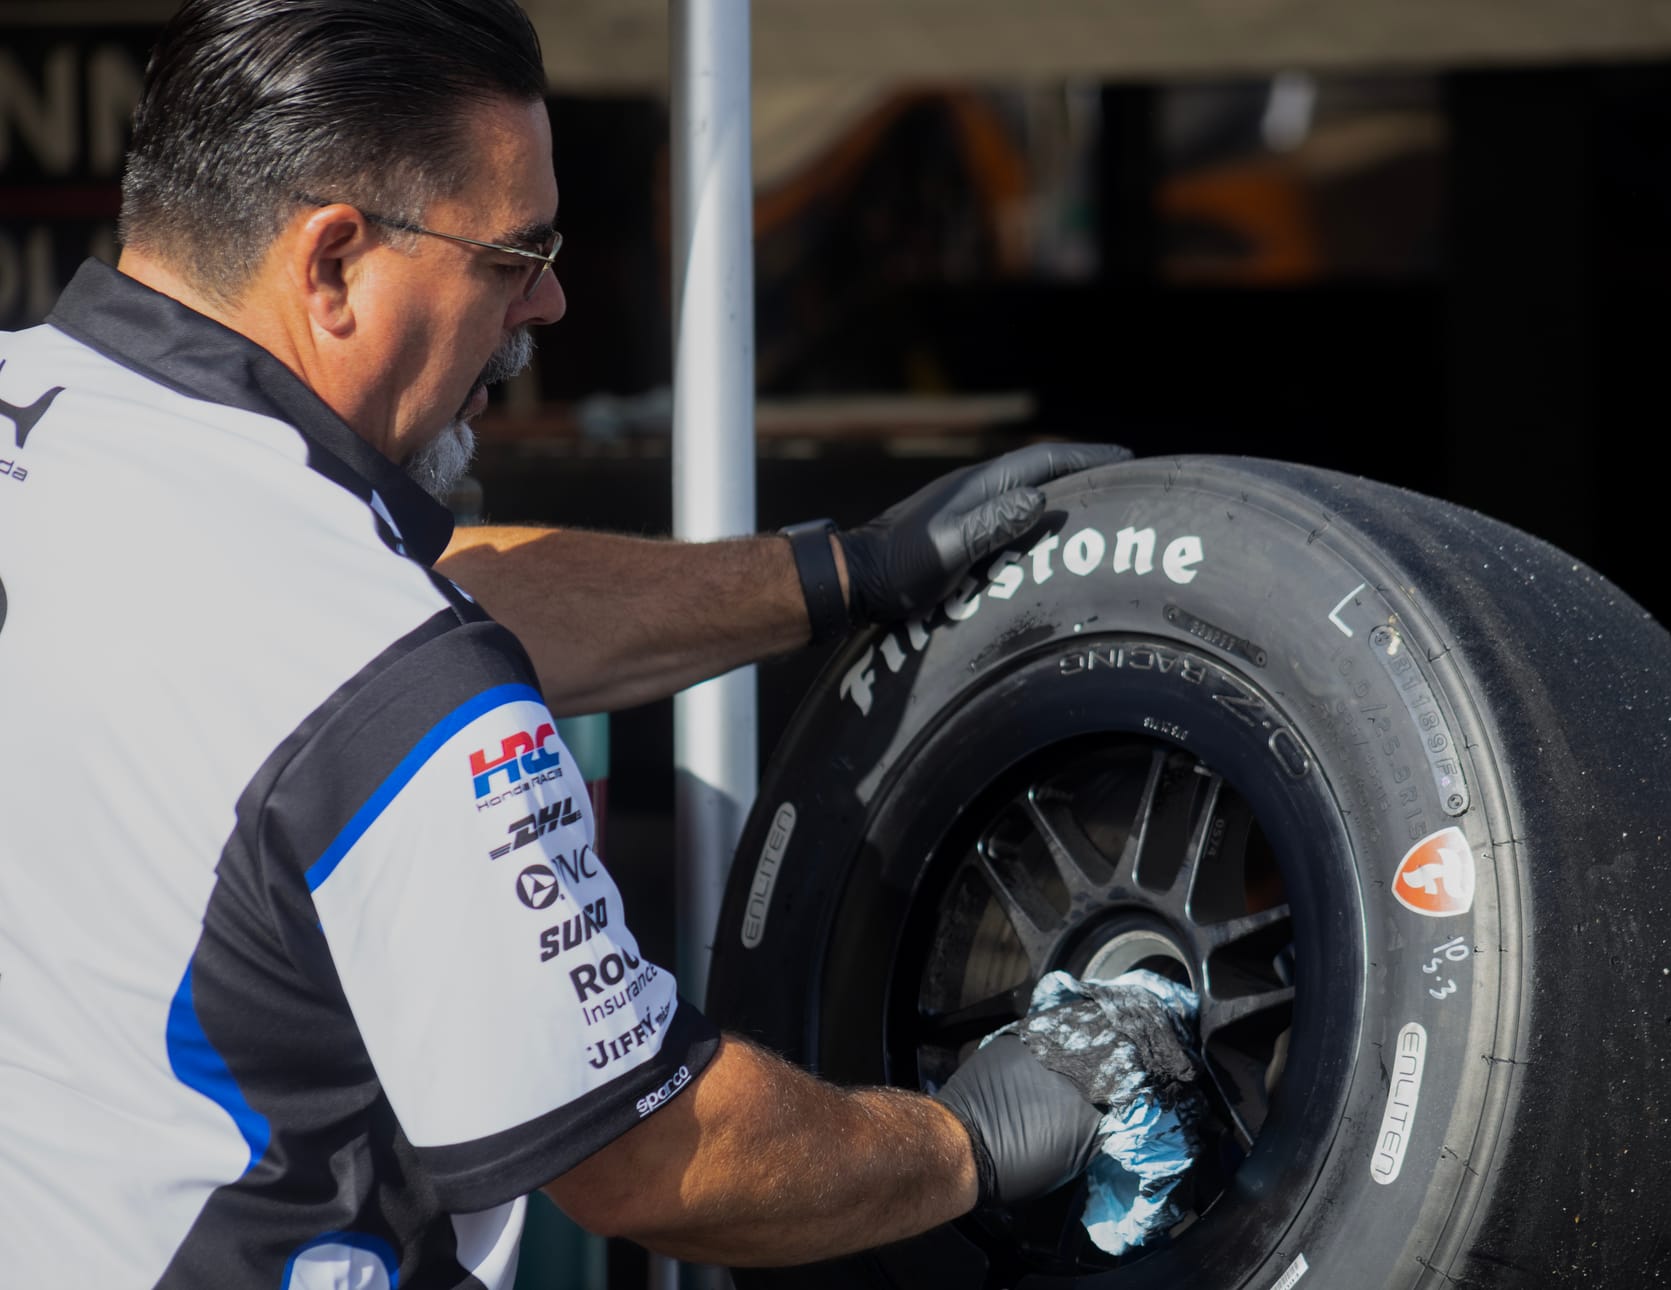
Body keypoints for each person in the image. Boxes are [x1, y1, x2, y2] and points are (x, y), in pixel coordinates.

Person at [0, 1, 1139, 1284]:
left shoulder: (80, 439)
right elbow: (659, 1157)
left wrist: (827, 573)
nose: (547, 301)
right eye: (514, 253)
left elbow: (363, 615)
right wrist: (972, 1136)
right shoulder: (390, 685)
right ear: (331, 265)